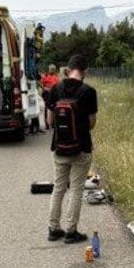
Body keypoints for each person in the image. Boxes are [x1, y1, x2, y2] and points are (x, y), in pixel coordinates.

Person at [47, 54, 98, 244]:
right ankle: (71, 231)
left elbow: (49, 121)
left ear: (67, 70)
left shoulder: (55, 89)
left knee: (58, 188)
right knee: (76, 189)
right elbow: (92, 123)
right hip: (82, 148)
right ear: (84, 72)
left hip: (59, 147)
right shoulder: (89, 92)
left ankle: (53, 229)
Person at [40, 64, 60, 130]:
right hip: (47, 94)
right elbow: (41, 82)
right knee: (47, 108)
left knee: (54, 108)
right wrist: (44, 88)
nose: (51, 70)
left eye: (52, 69)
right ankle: (47, 124)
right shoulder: (46, 76)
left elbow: (58, 84)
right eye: (50, 69)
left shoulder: (56, 77)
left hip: (54, 94)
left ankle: (53, 123)